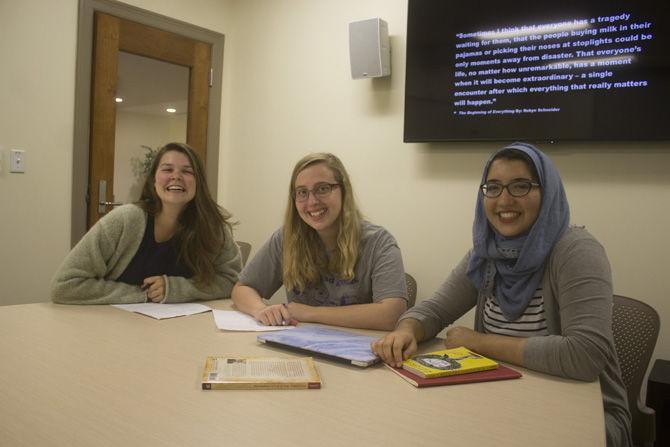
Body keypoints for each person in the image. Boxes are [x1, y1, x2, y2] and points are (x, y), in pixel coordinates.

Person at [372, 142, 632, 447]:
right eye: (493, 188)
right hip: (502, 403)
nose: (504, 200)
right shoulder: (486, 253)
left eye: (520, 186)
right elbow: (435, 309)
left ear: (546, 193)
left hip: (582, 413)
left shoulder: (576, 251)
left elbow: (585, 355)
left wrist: (479, 343)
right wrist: (406, 329)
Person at [231, 152, 407, 330]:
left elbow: (392, 314)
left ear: (343, 191)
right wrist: (260, 310)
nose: (312, 201)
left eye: (322, 189)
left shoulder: (379, 243)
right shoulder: (287, 238)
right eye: (302, 192)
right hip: (300, 347)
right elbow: (242, 288)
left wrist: (309, 313)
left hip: (358, 347)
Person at [51, 142, 241, 304]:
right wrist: (142, 295)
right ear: (153, 181)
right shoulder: (124, 220)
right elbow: (65, 285)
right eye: (167, 169)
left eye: (187, 171)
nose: (176, 176)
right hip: (113, 327)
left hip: (183, 330)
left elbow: (231, 281)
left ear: (198, 182)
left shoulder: (213, 227)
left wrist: (176, 289)